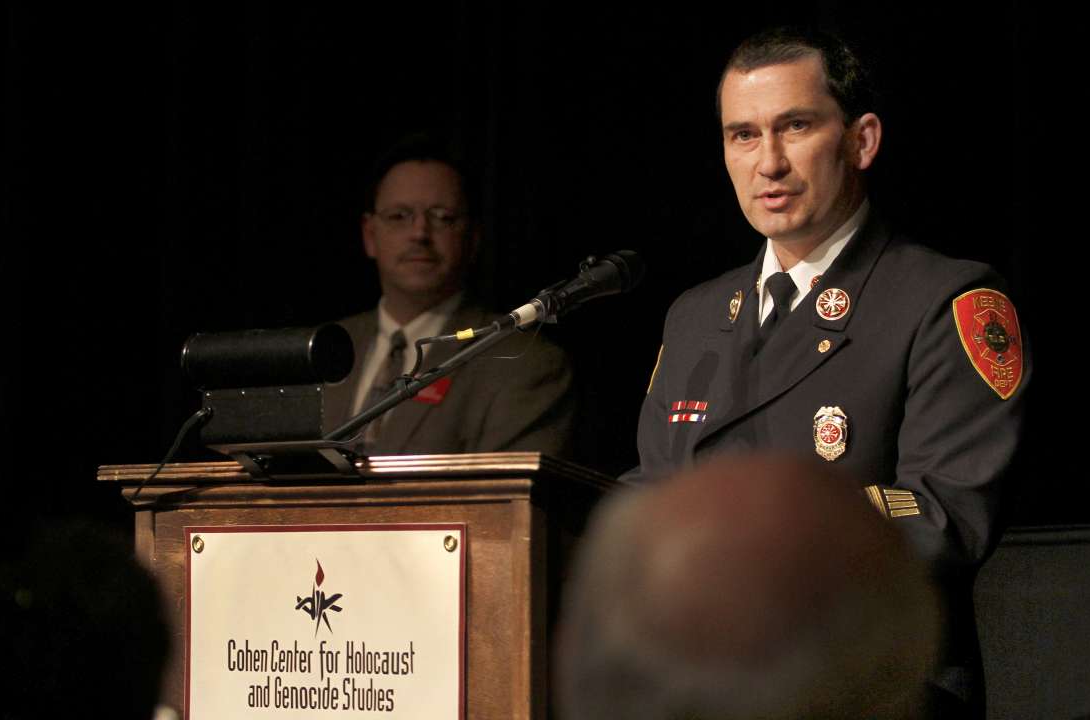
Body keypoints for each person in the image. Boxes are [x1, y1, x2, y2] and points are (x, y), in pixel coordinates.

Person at [624, 27, 1028, 717]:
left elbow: (940, 520)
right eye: (743, 135)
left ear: (862, 141)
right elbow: (648, 491)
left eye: (796, 127)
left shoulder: (943, 301)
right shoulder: (695, 316)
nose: (768, 162)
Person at [557, 454, 940, 720]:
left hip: (823, 638)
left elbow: (937, 510)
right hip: (673, 630)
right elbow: (657, 464)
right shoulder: (693, 334)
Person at [321, 135, 575, 456]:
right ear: (369, 235)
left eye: (442, 217)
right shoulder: (325, 346)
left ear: (473, 239)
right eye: (399, 216)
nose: (419, 233)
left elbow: (505, 502)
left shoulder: (524, 362)